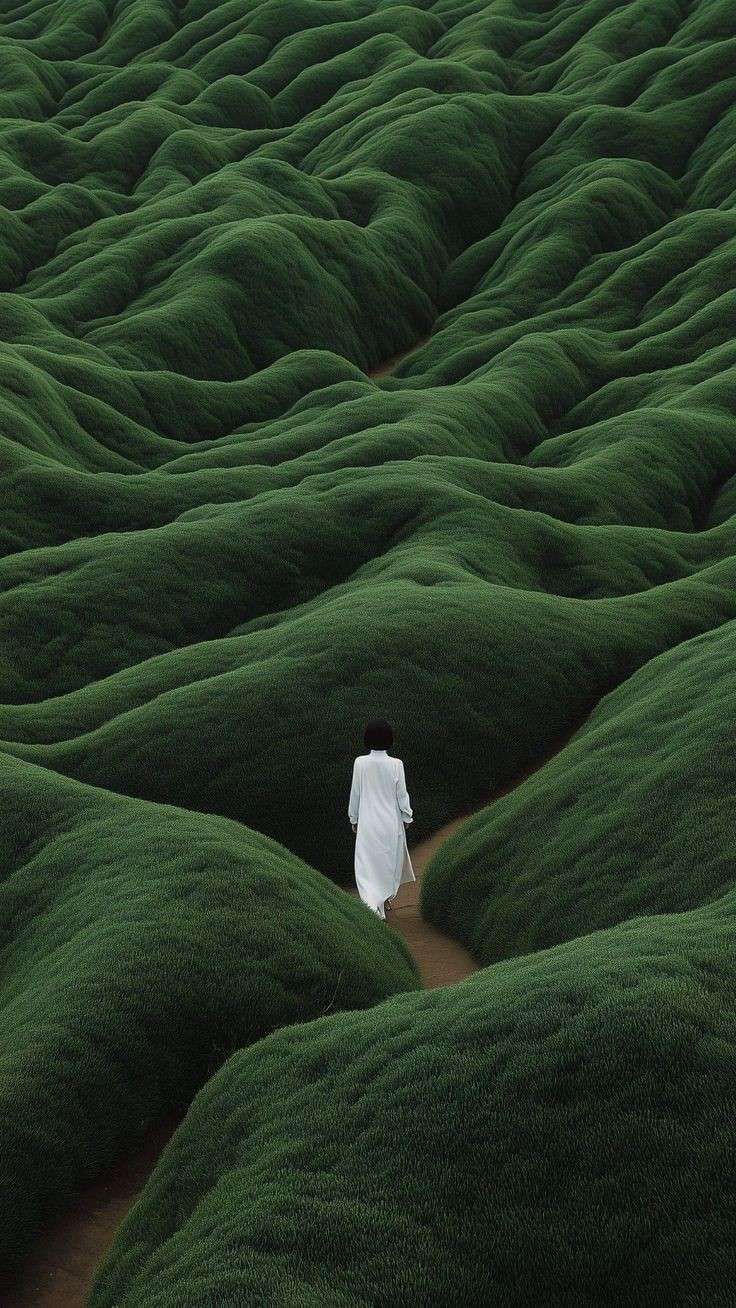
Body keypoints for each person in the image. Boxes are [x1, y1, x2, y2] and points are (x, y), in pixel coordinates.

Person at [348, 718, 415, 920]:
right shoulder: (396, 764)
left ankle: (373, 905)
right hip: (390, 822)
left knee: (367, 864)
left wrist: (354, 818)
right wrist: (407, 816)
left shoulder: (360, 763)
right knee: (388, 862)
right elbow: (402, 795)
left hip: (368, 823)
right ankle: (383, 900)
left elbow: (356, 794)